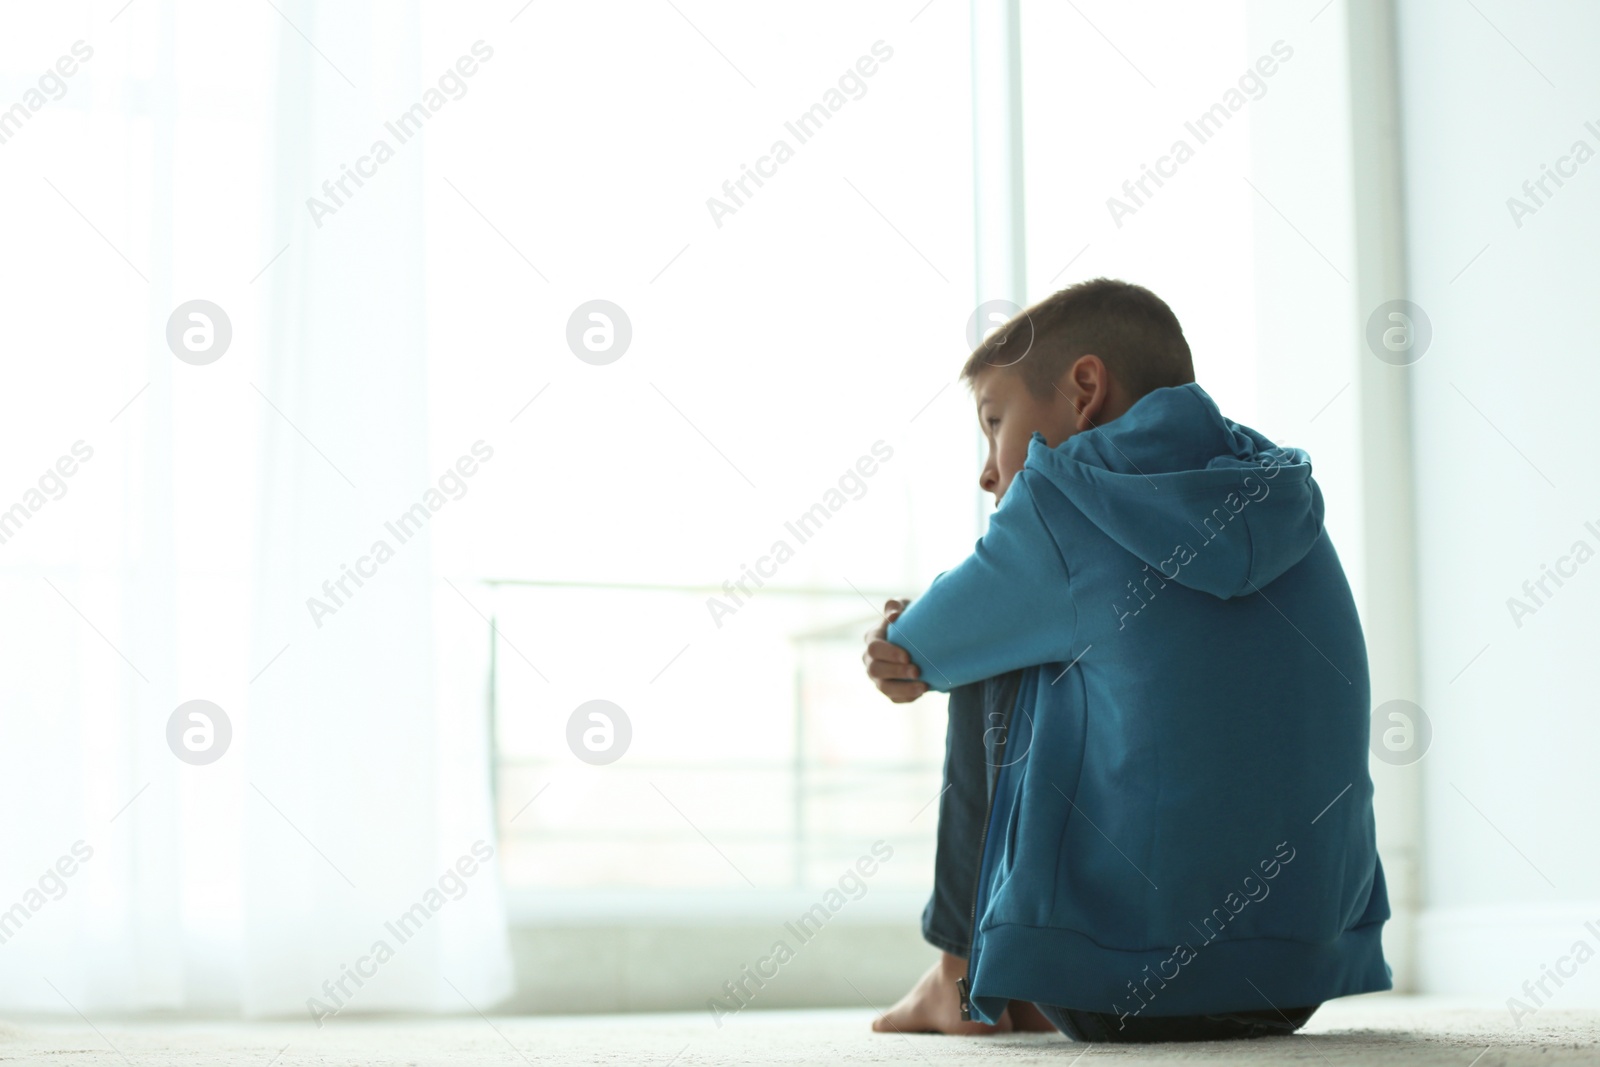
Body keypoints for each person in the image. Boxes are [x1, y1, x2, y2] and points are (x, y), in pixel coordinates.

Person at [861, 278, 1391, 1042]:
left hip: (1122, 991)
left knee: (996, 655)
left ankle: (959, 975)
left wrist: (902, 625)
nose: (987, 469)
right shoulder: (1282, 497)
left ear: (1084, 390)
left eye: (995, 421)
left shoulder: (1061, 501)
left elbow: (919, 652)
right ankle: (1025, 976)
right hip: (1296, 975)